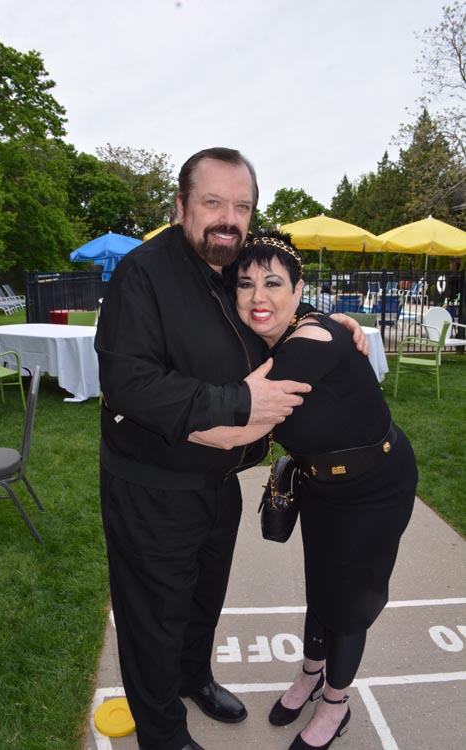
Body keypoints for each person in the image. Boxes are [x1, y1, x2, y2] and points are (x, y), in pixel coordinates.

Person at [95, 148, 367, 750]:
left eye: (241, 205)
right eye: (213, 202)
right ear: (182, 206)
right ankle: (162, 734)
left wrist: (327, 318)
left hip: (218, 483)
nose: (228, 217)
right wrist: (239, 405)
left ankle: (194, 678)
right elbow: (130, 383)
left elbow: (268, 301)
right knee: (153, 619)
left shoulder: (231, 261)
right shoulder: (142, 274)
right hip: (151, 485)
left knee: (204, 598)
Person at [190, 229, 417, 750]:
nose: (258, 297)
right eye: (245, 284)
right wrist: (339, 317)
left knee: (348, 602)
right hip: (322, 486)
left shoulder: (308, 343)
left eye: (273, 283)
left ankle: (334, 705)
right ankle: (310, 674)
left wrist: (159, 423)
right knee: (322, 583)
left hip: (375, 487)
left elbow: (242, 429)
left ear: (297, 289)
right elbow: (294, 312)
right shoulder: (284, 328)